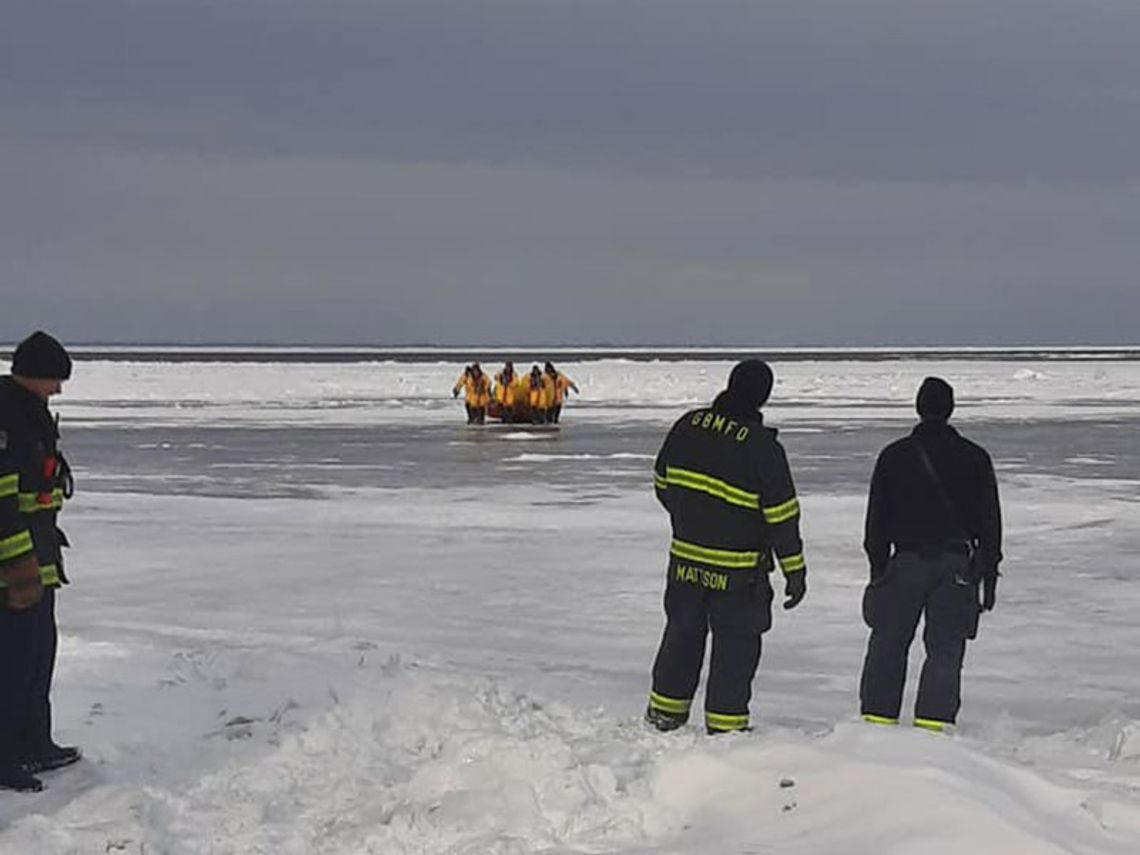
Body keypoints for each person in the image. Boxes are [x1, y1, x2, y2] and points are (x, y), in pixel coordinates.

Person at [646, 359, 808, 734]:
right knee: (735, 649)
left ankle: (664, 716)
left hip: (685, 562)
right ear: (763, 397)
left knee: (681, 637)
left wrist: (693, 521)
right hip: (737, 572)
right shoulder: (762, 448)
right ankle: (726, 730)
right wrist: (794, 572)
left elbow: (662, 484)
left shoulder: (687, 426)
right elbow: (783, 517)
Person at [858, 377, 1003, 732]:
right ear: (950, 409)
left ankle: (876, 724)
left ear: (919, 408)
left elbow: (875, 522)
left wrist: (879, 570)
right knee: (945, 650)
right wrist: (988, 575)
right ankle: (933, 729)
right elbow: (990, 524)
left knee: (887, 646)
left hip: (904, 563)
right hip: (956, 568)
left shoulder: (895, 456)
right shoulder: (975, 457)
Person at [0, 331, 81, 792]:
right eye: (55, 379)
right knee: (9, 666)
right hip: (15, 567)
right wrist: (17, 568)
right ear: (33, 373)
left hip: (40, 556)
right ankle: (3, 756)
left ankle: (34, 743)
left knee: (37, 658)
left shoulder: (32, 413)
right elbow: (2, 501)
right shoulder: (6, 415)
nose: (59, 389)